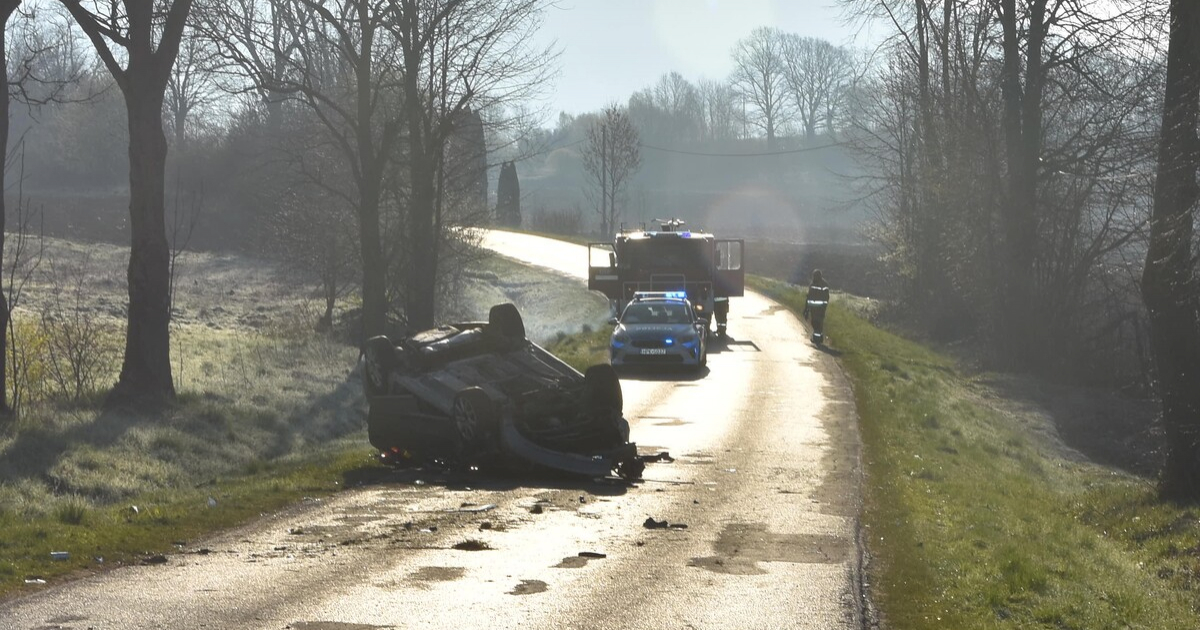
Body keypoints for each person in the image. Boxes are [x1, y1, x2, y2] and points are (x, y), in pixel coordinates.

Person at [802, 269, 830, 345]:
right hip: (813, 308)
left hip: (820, 308)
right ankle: (818, 337)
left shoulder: (824, 285)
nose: (814, 277)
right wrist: (806, 308)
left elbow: (826, 297)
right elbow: (809, 296)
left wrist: (824, 306)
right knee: (814, 322)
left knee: (818, 323)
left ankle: (817, 338)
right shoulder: (812, 284)